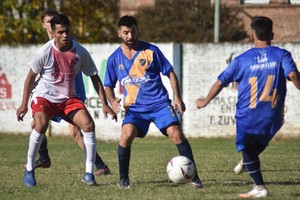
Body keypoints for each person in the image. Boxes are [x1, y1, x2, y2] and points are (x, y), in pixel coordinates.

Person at [196, 16, 300, 198]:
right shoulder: (282, 54)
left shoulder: (241, 60)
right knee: (258, 142)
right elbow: (293, 75)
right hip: (274, 114)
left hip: (248, 114)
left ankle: (259, 187)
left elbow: (221, 82)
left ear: (251, 36)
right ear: (272, 35)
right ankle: (247, 162)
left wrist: (205, 101)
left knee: (247, 147)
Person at [17, 14, 116, 187]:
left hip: (68, 98)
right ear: (53, 33)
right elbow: (30, 78)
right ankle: (29, 168)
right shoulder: (44, 52)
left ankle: (88, 174)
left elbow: (94, 76)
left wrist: (105, 104)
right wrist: (24, 104)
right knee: (40, 124)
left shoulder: (80, 52)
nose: (65, 35)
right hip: (45, 96)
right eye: (61, 32)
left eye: (67, 31)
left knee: (88, 125)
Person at [104, 15, 203, 189]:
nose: (130, 36)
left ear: (137, 30)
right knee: (126, 136)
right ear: (119, 33)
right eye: (126, 32)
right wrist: (111, 101)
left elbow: (170, 73)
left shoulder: (151, 50)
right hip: (135, 109)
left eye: (133, 31)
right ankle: (123, 180)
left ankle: (194, 176)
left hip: (160, 104)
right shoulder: (114, 59)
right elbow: (108, 85)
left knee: (176, 133)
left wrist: (177, 97)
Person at [35, 9, 111, 176]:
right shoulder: (48, 45)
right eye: (48, 22)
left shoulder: (67, 42)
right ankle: (44, 157)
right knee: (37, 124)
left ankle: (99, 166)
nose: (50, 25)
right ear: (44, 25)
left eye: (53, 22)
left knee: (75, 131)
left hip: (71, 91)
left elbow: (83, 70)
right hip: (52, 94)